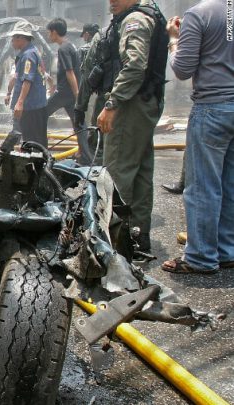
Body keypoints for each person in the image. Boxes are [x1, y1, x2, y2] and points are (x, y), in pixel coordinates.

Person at [161, 0, 234, 275]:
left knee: (203, 186)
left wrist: (173, 39)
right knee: (229, 184)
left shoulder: (199, 14)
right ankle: (226, 251)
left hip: (213, 108)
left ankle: (201, 257)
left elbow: (182, 68)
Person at [95, 0, 168, 256]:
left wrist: (112, 104)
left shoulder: (134, 20)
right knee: (140, 171)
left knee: (116, 173)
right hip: (146, 101)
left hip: (130, 105)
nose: (111, 1)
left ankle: (117, 243)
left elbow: (135, 65)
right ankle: (138, 237)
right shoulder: (150, 15)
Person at [6, 21, 48, 147]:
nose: (12, 41)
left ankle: (36, 164)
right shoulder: (32, 52)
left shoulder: (28, 55)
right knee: (37, 140)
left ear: (21, 38)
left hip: (30, 107)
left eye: (13, 38)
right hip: (35, 106)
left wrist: (20, 103)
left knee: (32, 141)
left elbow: (27, 80)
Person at [74, 25, 105, 165]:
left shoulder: (91, 45)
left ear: (87, 34)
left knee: (96, 135)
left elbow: (85, 76)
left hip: (96, 95)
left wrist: (79, 106)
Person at [45, 18, 80, 131]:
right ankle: (85, 148)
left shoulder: (63, 49)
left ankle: (38, 144)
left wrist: (77, 94)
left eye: (49, 32)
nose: (48, 35)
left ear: (54, 32)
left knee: (40, 114)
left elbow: (69, 72)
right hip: (69, 93)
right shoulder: (70, 46)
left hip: (64, 92)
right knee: (78, 124)